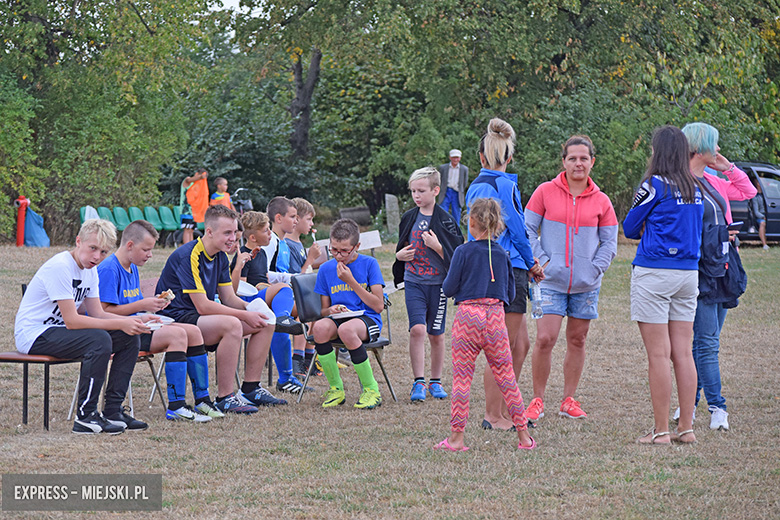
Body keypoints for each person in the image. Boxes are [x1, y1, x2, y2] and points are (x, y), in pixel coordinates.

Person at [14, 219, 150, 434]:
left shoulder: (91, 270)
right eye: (93, 248)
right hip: (34, 334)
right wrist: (121, 322)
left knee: (129, 337)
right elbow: (73, 321)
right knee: (99, 340)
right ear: (78, 241)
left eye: (104, 252)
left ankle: (113, 411)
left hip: (60, 332)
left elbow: (98, 314)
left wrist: (132, 322)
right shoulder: (61, 266)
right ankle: (86, 416)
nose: (97, 257)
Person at [157, 204, 287, 413]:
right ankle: (225, 398)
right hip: (178, 318)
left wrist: (251, 307)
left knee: (265, 320)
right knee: (232, 324)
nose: (232, 239)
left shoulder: (219, 255)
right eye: (227, 233)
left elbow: (228, 297)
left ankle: (251, 389)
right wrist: (245, 314)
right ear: (209, 232)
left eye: (234, 233)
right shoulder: (189, 254)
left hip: (201, 318)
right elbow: (203, 305)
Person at [524, 135, 618, 422]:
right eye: (573, 158)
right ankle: (537, 399)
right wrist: (544, 262)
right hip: (549, 281)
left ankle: (568, 400)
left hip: (586, 286)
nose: (579, 163)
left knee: (577, 339)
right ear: (563, 161)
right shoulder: (544, 192)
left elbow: (610, 242)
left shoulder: (602, 200)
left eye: (584, 158)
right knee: (545, 338)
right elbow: (526, 230)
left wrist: (594, 269)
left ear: (592, 161)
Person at [623, 126, 703, 445]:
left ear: (658, 152)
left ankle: (660, 432)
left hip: (655, 272)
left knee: (658, 354)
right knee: (683, 352)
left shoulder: (654, 184)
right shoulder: (694, 186)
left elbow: (629, 227)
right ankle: (687, 428)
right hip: (688, 273)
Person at [435, 198, 535, 451]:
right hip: (495, 318)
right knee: (507, 377)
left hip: (468, 317)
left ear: (471, 222)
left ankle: (457, 438)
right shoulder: (503, 254)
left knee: (461, 380)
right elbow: (510, 294)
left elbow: (448, 289)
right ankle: (524, 437)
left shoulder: (463, 251)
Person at [97, 219, 223, 423]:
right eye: (146, 249)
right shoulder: (109, 269)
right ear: (130, 245)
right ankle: (176, 406)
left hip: (138, 326)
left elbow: (132, 306)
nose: (150, 255)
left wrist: (150, 308)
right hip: (120, 333)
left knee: (193, 331)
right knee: (178, 334)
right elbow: (103, 312)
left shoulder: (132, 267)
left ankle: (202, 399)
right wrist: (141, 307)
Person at [464, 118, 544, 431]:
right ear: (508, 158)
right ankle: (493, 415)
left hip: (490, 267)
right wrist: (533, 263)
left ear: (481, 157)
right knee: (505, 346)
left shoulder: (474, 186)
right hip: (508, 269)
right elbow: (519, 232)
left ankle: (510, 409)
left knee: (520, 344)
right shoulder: (505, 185)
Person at [680, 122, 757, 431]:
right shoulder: (680, 184)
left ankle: (690, 402)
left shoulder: (715, 180)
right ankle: (717, 408)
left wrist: (729, 168)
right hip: (700, 269)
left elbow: (748, 192)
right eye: (716, 145)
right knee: (706, 343)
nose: (720, 150)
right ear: (700, 147)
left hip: (724, 263)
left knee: (706, 342)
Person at [393, 166, 463, 402]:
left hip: (439, 285)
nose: (416, 196)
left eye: (421, 190)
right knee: (417, 329)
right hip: (414, 282)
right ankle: (418, 382)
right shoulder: (408, 218)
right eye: (413, 191)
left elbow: (457, 255)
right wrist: (398, 257)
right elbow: (400, 248)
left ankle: (435, 382)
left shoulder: (446, 221)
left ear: (436, 190)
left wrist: (437, 247)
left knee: (436, 334)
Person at [230, 210, 308, 393]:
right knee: (283, 289)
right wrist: (262, 287)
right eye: (265, 231)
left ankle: (286, 378)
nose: (270, 234)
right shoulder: (243, 255)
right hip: (247, 302)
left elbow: (263, 278)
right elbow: (239, 288)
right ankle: (283, 318)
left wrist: (265, 286)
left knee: (302, 309)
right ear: (253, 237)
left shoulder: (262, 254)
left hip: (262, 299)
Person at [312, 218, 385, 409]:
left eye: (344, 250)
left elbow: (378, 306)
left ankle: (371, 390)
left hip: (367, 319)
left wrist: (351, 281)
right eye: (333, 249)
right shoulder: (326, 269)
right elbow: (323, 310)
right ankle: (336, 389)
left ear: (357, 246)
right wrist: (331, 310)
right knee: (319, 328)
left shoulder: (370, 264)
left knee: (347, 330)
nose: (338, 255)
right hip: (340, 319)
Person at [259, 197, 309, 391]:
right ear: (278, 218)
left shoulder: (283, 243)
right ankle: (287, 377)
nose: (296, 221)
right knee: (280, 322)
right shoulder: (270, 242)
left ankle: (300, 366)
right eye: (293, 216)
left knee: (312, 309)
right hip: (267, 296)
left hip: (282, 295)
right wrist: (291, 278)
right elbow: (263, 274)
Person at [285, 197, 324, 377]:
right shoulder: (288, 244)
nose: (311, 223)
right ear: (297, 219)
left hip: (302, 295)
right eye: (308, 219)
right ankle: (298, 360)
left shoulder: (298, 243)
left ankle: (310, 359)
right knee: (306, 312)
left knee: (321, 310)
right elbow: (296, 278)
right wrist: (310, 259)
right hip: (291, 297)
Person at [437, 149, 469, 220]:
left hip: (457, 193)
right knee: (443, 212)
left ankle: (455, 230)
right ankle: (443, 229)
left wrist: (460, 190)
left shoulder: (464, 169)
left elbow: (465, 183)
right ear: (450, 157)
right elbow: (439, 180)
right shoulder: (443, 168)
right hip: (445, 192)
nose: (455, 159)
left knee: (456, 214)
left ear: (460, 158)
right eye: (454, 157)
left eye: (457, 157)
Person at [181, 169, 209, 244]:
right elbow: (191, 179)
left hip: (194, 212)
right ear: (197, 174)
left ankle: (190, 247)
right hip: (186, 211)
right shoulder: (187, 181)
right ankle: (186, 247)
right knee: (187, 228)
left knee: (191, 229)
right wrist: (201, 176)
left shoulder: (198, 186)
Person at [749, 179, 770, 250]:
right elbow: (756, 212)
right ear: (757, 184)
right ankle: (764, 244)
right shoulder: (755, 197)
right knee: (762, 223)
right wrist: (763, 216)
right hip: (761, 215)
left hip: (768, 213)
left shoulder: (765, 194)